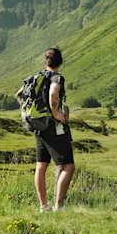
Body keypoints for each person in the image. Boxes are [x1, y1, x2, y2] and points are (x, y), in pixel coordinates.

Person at [32, 47, 74, 212]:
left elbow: (20, 94)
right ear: (60, 61)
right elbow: (53, 94)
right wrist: (57, 114)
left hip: (38, 125)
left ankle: (44, 206)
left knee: (41, 165)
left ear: (46, 61)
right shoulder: (57, 77)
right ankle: (59, 206)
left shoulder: (36, 77)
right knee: (68, 166)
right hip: (54, 127)